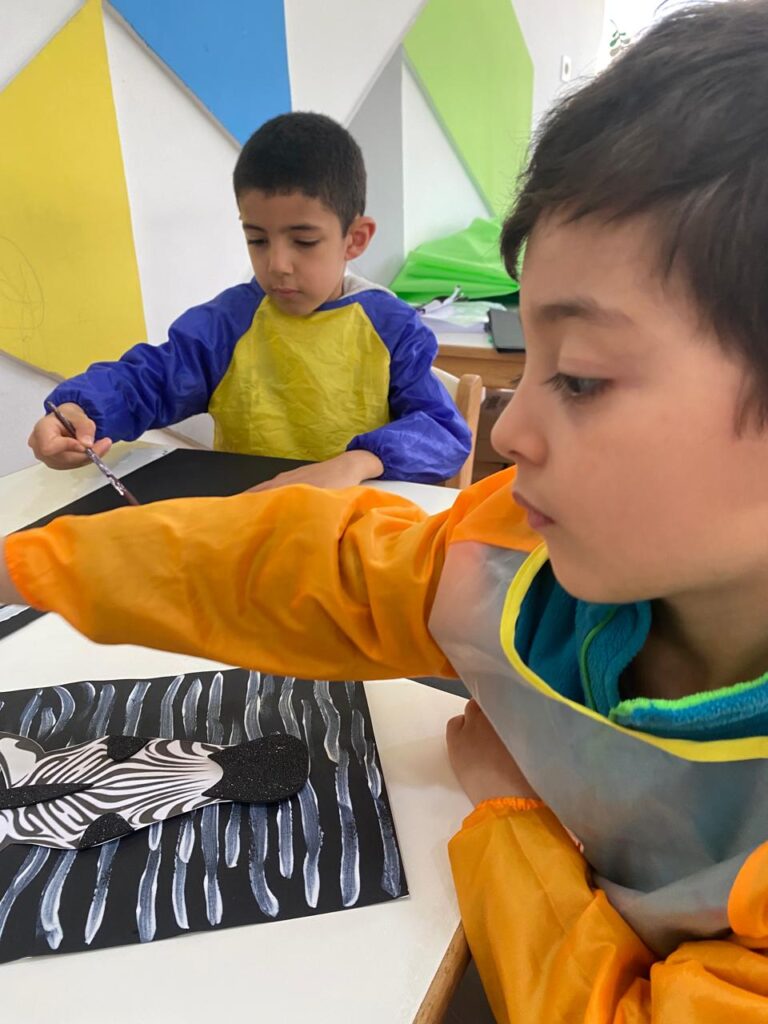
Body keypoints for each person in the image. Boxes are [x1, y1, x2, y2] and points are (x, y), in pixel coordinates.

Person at [5, 2, 768, 1018]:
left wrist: (508, 816)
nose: (509, 430)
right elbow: (308, 564)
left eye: (581, 376)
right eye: (530, 365)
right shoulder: (517, 556)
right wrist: (32, 564)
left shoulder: (392, 332)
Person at [27, 112, 471, 489]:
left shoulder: (391, 328)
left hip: (355, 529)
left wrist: (357, 463)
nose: (277, 264)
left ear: (354, 239)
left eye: (304, 241)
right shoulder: (228, 324)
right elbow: (149, 381)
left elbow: (443, 433)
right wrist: (78, 410)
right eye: (257, 239)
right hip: (249, 528)